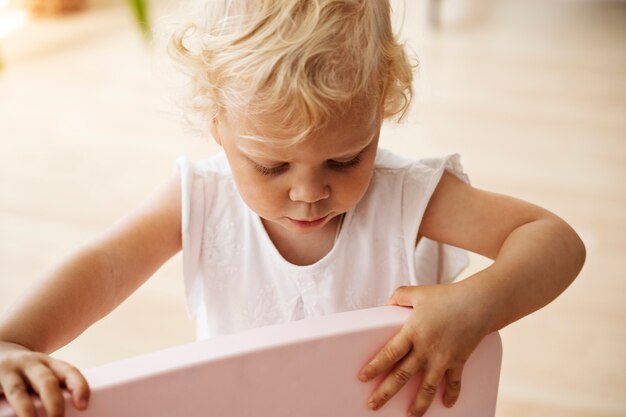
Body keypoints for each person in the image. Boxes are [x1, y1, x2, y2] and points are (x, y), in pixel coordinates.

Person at [0, 1, 586, 417]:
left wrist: (479, 303)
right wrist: (13, 341)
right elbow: (102, 268)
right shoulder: (199, 198)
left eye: (345, 160)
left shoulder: (407, 195)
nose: (309, 193)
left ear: (380, 112)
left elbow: (551, 238)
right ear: (217, 125)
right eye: (271, 166)